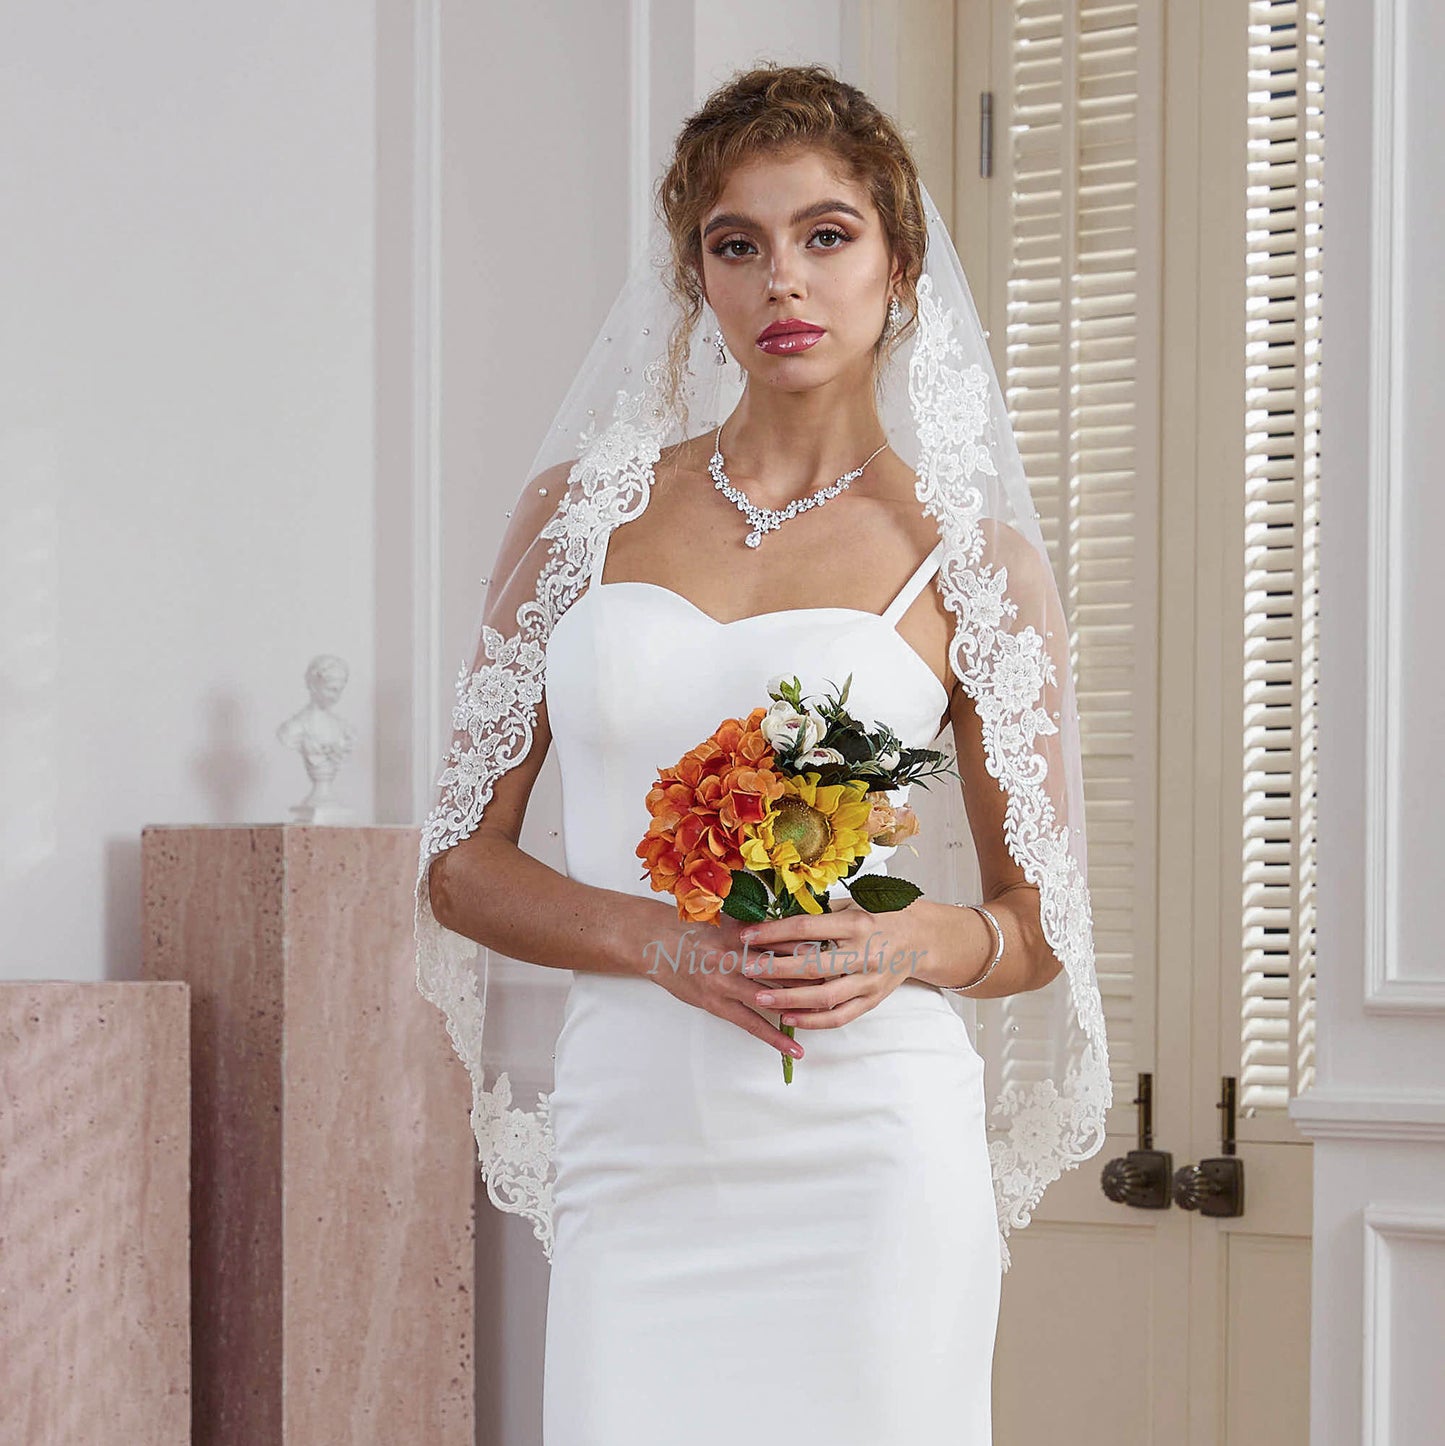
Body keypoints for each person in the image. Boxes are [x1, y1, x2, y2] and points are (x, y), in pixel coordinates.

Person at [416, 63, 1111, 1446]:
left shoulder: (970, 559)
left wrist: (902, 947)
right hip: (642, 1130)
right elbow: (458, 865)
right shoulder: (580, 517)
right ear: (696, 279)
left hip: (867, 1152)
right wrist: (664, 940)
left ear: (898, 265)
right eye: (736, 243)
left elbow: (1040, 929)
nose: (782, 279)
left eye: (825, 235)